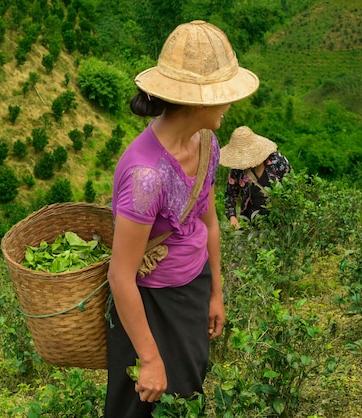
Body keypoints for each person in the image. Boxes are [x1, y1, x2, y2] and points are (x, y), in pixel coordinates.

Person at [105, 20, 259, 417]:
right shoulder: (146, 176)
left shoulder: (206, 143)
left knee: (186, 393)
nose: (229, 105)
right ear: (199, 102)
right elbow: (120, 276)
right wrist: (150, 357)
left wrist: (215, 292)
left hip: (192, 287)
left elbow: (207, 222)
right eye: (224, 97)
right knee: (137, 404)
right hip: (150, 303)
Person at [220, 126, 292, 228]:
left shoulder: (278, 162)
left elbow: (292, 187)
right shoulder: (237, 169)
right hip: (251, 222)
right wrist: (233, 218)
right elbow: (230, 195)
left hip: (280, 220)